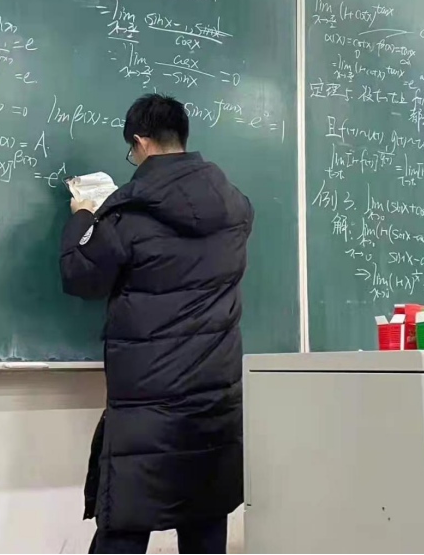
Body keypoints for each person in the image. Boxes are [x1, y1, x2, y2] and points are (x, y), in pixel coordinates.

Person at [60, 94, 254, 555]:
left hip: (148, 407)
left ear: (141, 141)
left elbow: (81, 275)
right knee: (205, 523)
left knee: (124, 528)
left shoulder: (129, 214)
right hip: (214, 401)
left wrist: (83, 217)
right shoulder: (235, 210)